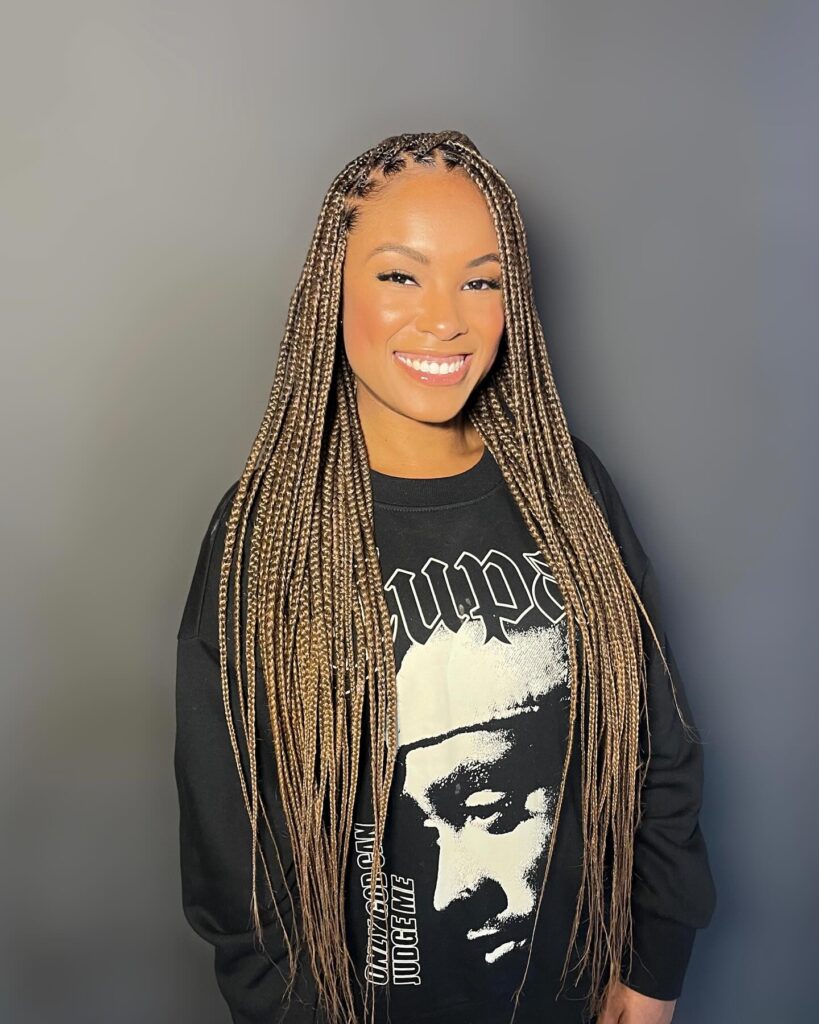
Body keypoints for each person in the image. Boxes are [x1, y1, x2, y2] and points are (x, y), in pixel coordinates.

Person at [174, 131, 716, 1024]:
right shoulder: (264, 536)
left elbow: (660, 741)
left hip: (581, 1000)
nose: (446, 318)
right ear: (330, 292)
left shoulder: (567, 491)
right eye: (399, 275)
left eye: (481, 279)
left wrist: (652, 967)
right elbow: (235, 854)